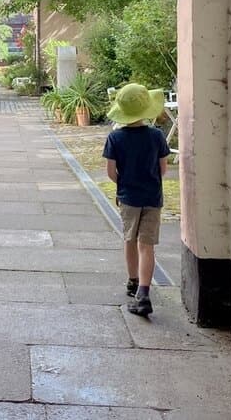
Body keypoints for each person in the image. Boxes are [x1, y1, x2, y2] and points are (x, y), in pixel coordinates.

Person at [102, 83, 170, 317]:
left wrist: (125, 183)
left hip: (128, 197)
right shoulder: (157, 136)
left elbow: (111, 172)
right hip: (153, 197)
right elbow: (163, 169)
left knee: (130, 239)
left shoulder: (115, 138)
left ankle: (132, 280)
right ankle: (144, 291)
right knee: (147, 245)